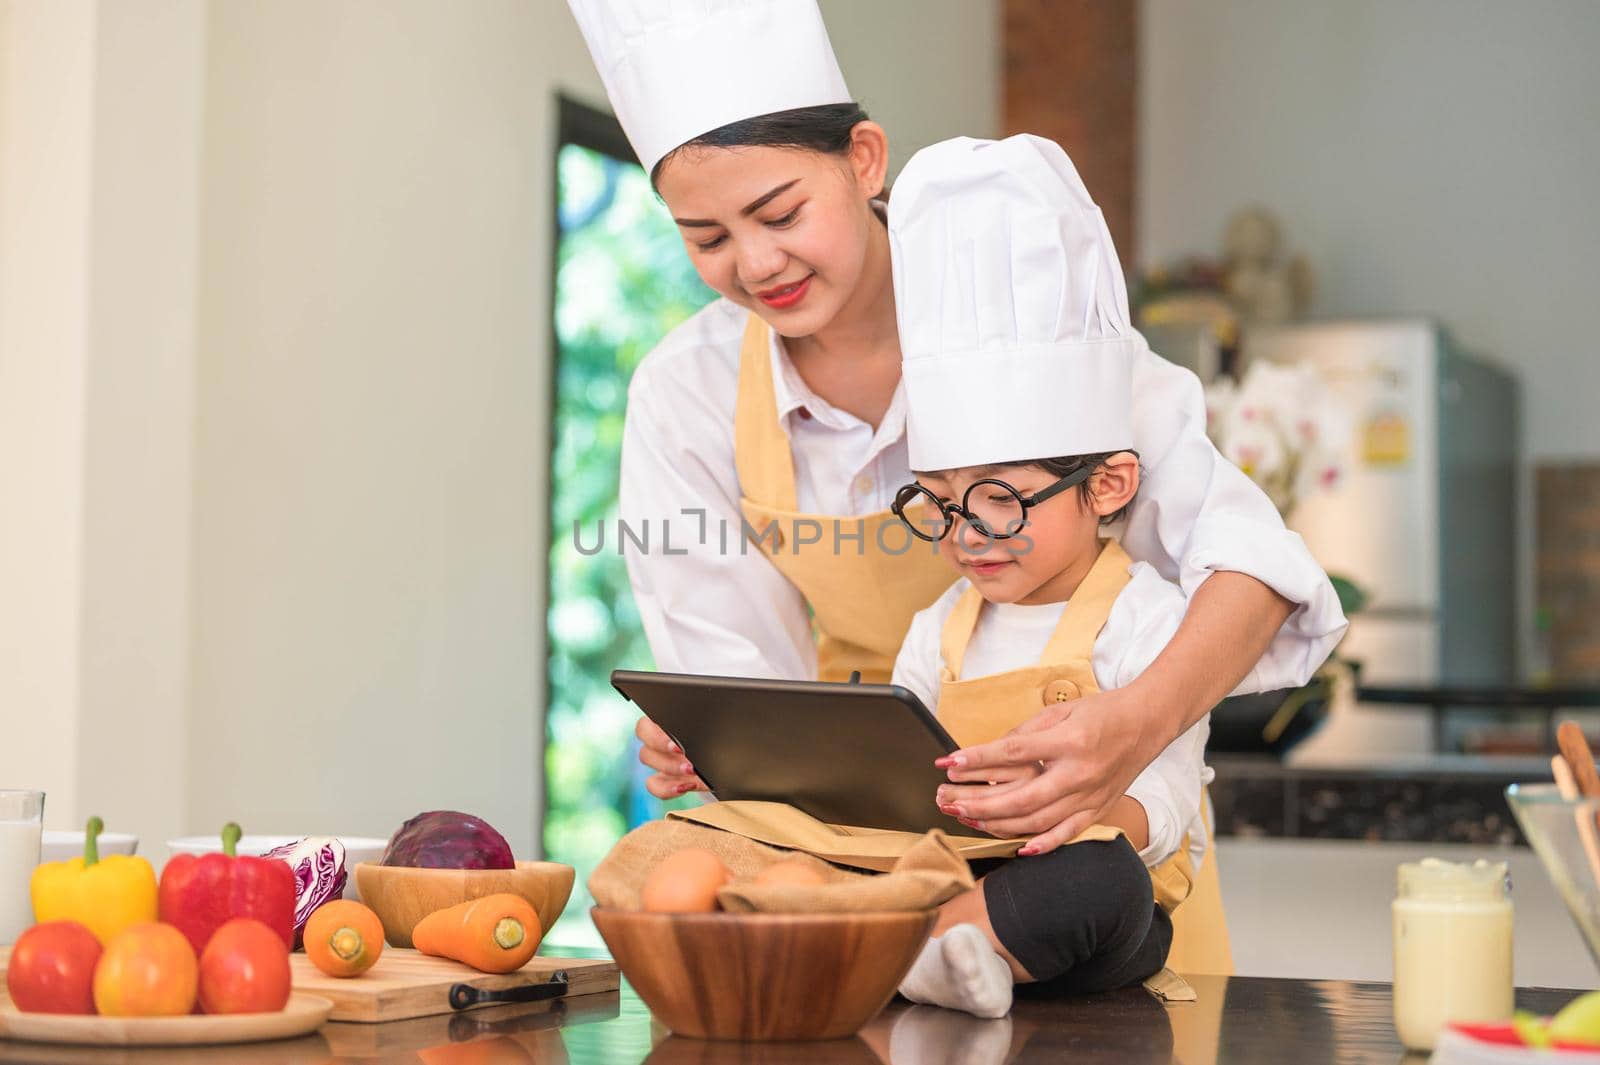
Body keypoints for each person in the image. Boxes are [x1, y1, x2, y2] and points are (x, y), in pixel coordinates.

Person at [566, 0, 1347, 854]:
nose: (756, 264)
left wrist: (1132, 724)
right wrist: (718, 745)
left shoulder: (1028, 315)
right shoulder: (689, 393)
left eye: (782, 214)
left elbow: (1255, 567)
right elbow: (744, 682)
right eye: (706, 237)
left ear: (864, 159)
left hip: (1100, 830)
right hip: (862, 842)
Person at [884, 133, 1243, 1018]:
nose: (968, 534)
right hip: (952, 868)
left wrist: (1062, 820)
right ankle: (954, 947)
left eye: (1000, 500)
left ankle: (937, 949)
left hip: (1091, 905)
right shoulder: (938, 629)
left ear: (1108, 486)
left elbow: (1164, 793)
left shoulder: (1149, 618)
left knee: (1097, 882)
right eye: (938, 502)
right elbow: (897, 767)